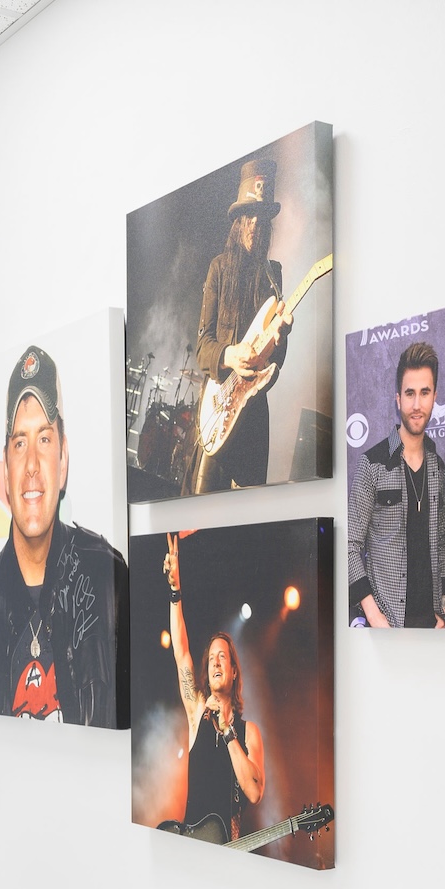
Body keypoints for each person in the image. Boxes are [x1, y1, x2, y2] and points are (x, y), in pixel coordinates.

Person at [0, 345, 128, 726]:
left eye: (44, 439)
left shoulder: (110, 579)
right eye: (19, 443)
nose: (31, 467)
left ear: (64, 459)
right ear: (5, 466)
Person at [192, 158, 289, 493]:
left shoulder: (272, 275)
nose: (253, 226)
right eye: (247, 217)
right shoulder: (218, 269)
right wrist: (230, 355)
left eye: (260, 219)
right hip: (218, 408)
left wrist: (281, 335)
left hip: (252, 418)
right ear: (236, 222)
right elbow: (203, 347)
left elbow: (277, 362)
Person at [162, 533, 264, 842]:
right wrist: (175, 590)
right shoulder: (197, 712)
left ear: (234, 672)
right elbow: (181, 654)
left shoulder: (250, 733)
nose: (216, 663)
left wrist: (229, 732)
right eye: (211, 660)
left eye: (223, 658)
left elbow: (254, 792)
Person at [346, 341, 445, 628]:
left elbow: (442, 543)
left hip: (431, 627)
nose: (417, 405)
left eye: (425, 393)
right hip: (387, 626)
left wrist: (444, 611)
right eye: (410, 393)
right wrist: (373, 615)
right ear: (397, 398)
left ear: (435, 397)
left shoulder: (438, 468)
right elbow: (350, 545)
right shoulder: (373, 463)